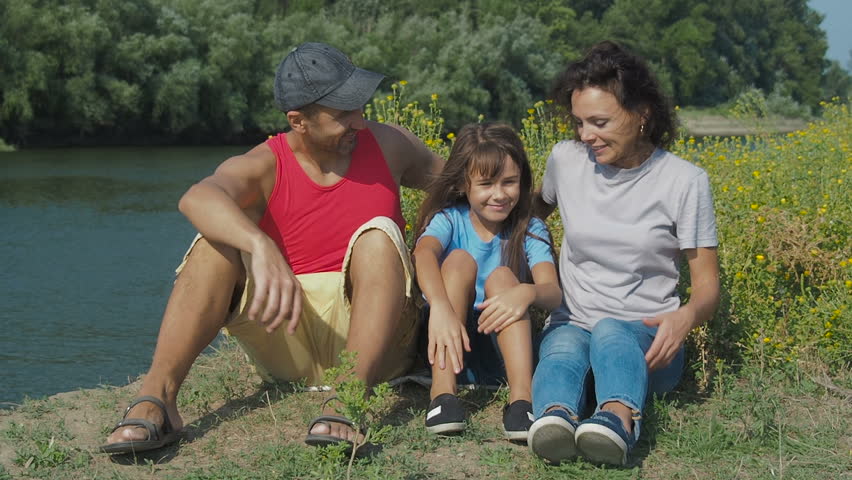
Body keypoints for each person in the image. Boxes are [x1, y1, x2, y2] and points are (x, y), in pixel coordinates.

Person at [99, 42, 444, 454]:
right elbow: (196, 198)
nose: (360, 123)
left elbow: (465, 184)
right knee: (214, 243)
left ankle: (349, 401)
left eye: (360, 108)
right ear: (298, 120)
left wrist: (536, 200)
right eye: (342, 115)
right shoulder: (266, 163)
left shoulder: (391, 144)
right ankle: (158, 398)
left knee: (378, 235)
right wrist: (257, 243)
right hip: (289, 339)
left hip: (384, 346)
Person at [527, 41, 720, 466]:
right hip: (575, 321)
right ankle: (554, 419)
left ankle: (617, 422)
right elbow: (532, 211)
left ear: (642, 114)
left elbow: (707, 286)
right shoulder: (566, 160)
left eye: (599, 122)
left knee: (612, 331)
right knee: (561, 346)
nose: (585, 135)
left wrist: (685, 318)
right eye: (578, 122)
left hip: (647, 340)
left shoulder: (684, 182)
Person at [411, 123, 561, 441]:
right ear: (464, 184)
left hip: (503, 348)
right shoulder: (450, 219)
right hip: (445, 334)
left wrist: (528, 291)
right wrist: (438, 305)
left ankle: (522, 400)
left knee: (504, 277)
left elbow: (553, 293)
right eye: (486, 183)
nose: (499, 194)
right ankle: (442, 395)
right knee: (459, 261)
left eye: (509, 182)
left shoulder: (529, 228)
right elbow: (423, 254)